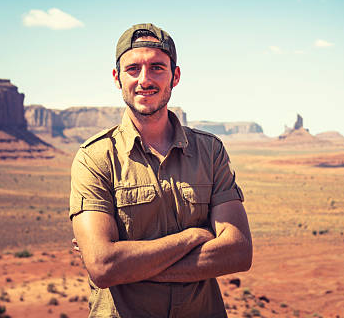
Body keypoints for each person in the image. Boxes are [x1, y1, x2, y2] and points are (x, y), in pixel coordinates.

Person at [69, 23, 253, 317]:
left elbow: (238, 253)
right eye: (133, 69)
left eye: (157, 67)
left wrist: (130, 267)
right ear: (117, 78)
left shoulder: (210, 152)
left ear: (175, 76)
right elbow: (103, 266)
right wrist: (193, 236)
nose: (145, 79)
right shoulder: (95, 158)